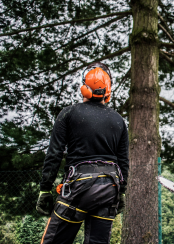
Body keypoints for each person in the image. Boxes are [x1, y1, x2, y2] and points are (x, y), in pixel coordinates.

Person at [36, 62, 129, 244]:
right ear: (107, 91)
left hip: (78, 188)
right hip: (110, 189)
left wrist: (45, 188)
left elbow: (54, 153)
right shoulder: (119, 120)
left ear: (84, 88)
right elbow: (123, 161)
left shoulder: (68, 114)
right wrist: (122, 193)